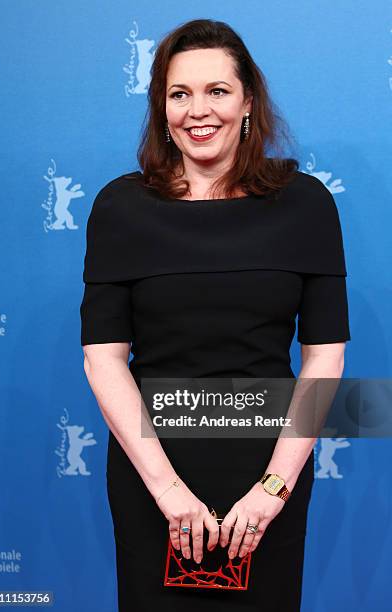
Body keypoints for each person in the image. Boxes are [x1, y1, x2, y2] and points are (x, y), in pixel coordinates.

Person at [80, 18, 351, 612]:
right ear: (161, 107)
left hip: (269, 469)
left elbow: (325, 354)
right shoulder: (120, 208)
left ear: (248, 101)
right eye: (180, 94)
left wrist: (273, 491)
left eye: (217, 91)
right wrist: (168, 491)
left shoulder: (304, 205)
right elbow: (103, 360)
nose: (197, 111)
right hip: (153, 473)